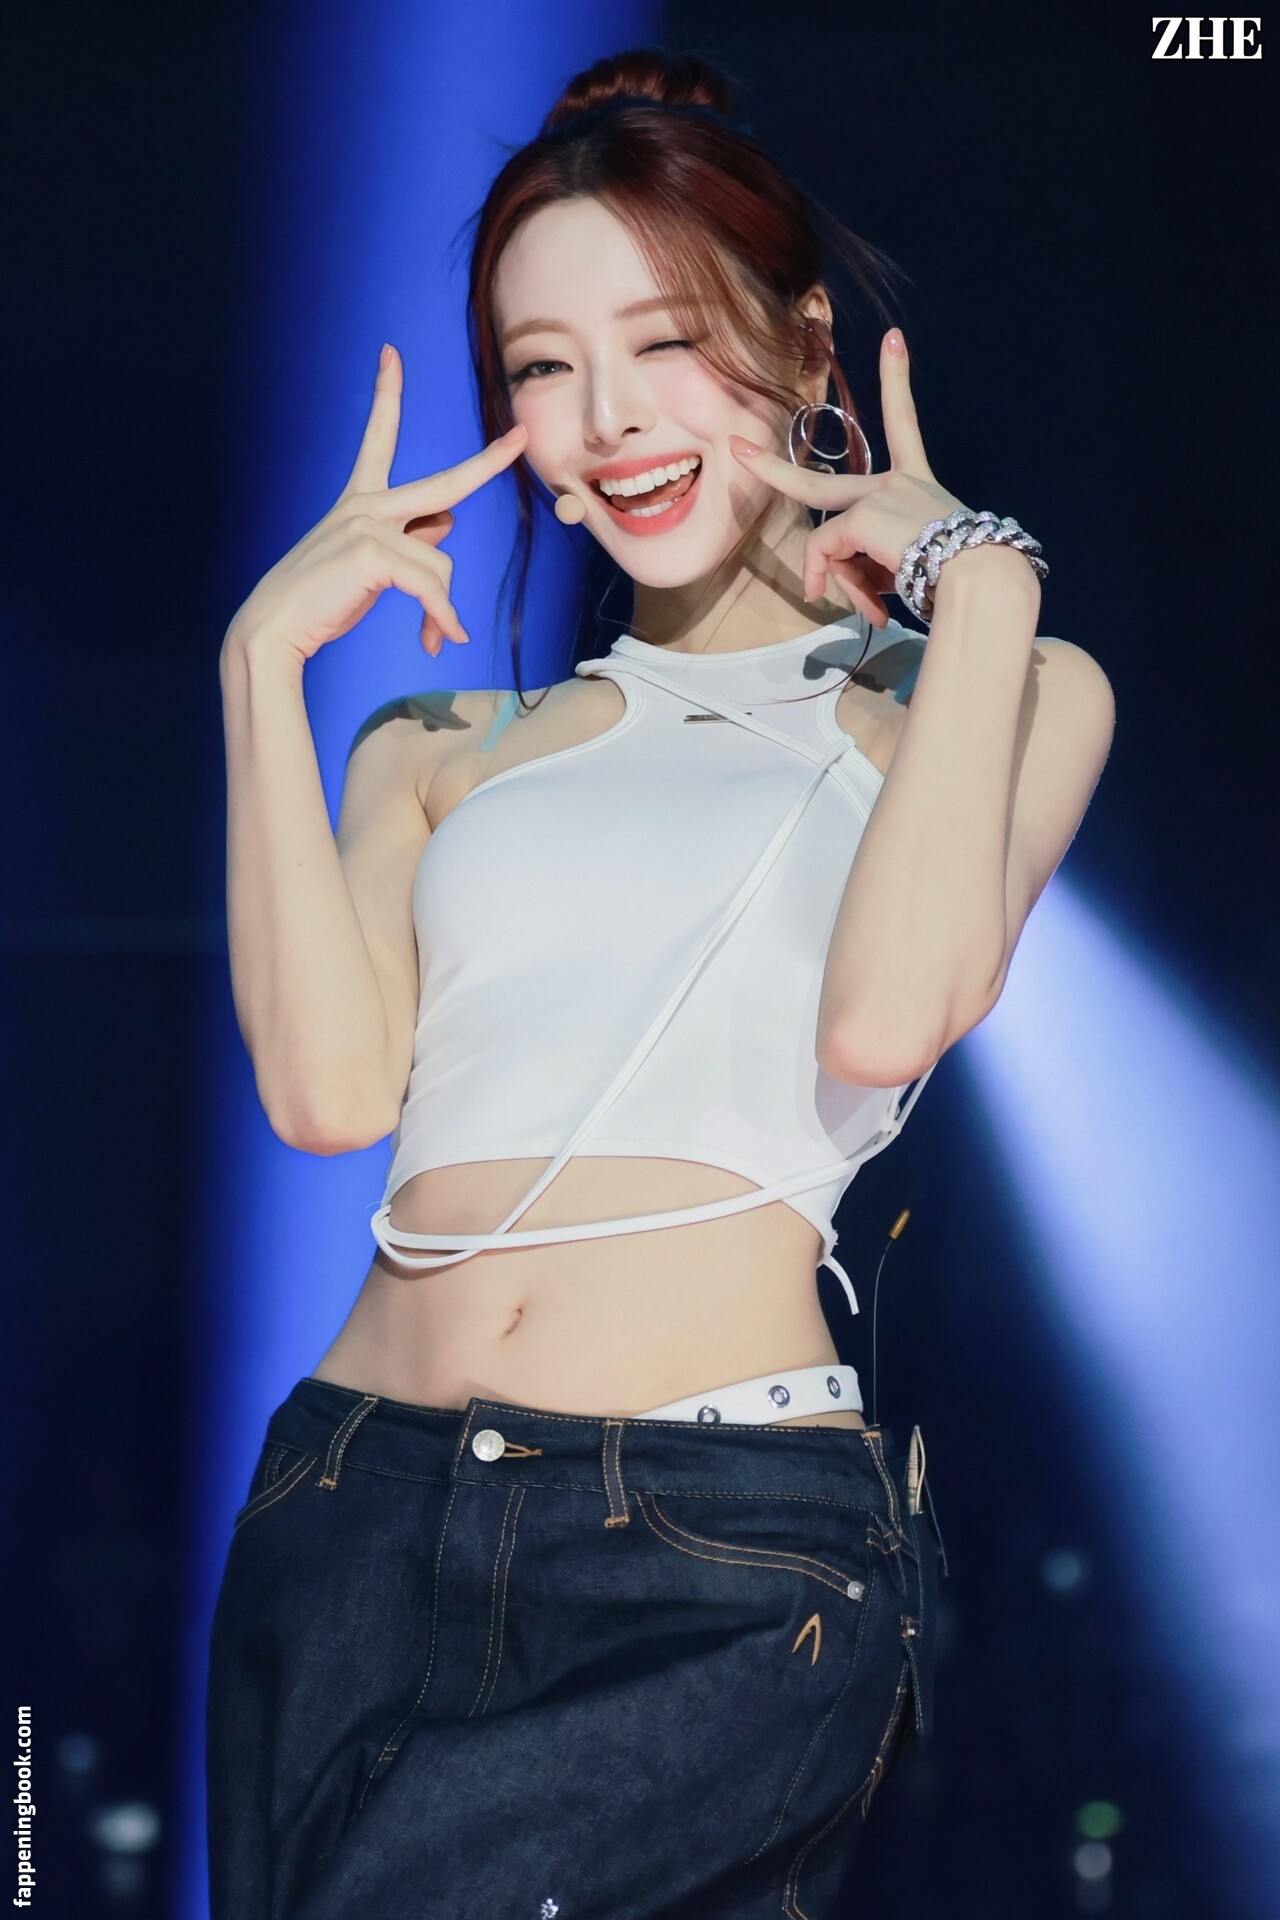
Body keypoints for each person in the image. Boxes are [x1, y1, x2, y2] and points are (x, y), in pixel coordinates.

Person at [206, 47, 1115, 1920]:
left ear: (802, 343)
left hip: (703, 1550)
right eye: (543, 367)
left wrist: (982, 583)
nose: (606, 419)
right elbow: (324, 1094)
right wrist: (257, 667)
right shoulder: (436, 744)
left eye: (667, 342)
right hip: (349, 1509)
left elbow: (886, 1019)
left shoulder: (994, 694)